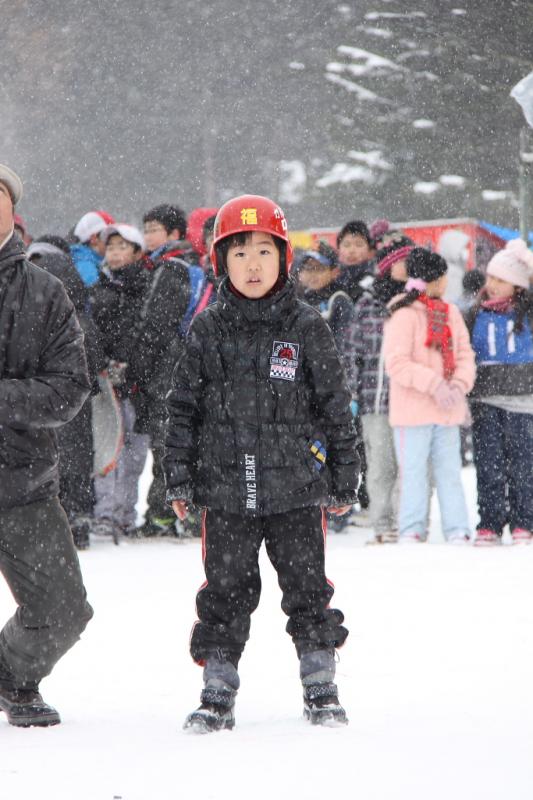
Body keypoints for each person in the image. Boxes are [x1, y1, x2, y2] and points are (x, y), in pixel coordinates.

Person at [163, 195, 358, 732]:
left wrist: (345, 474)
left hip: (296, 488)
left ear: (283, 258)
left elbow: (335, 406)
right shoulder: (207, 329)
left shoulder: (307, 325)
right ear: (221, 261)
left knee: (308, 589)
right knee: (225, 593)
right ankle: (217, 689)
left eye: (264, 252)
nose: (253, 265)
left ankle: (320, 683)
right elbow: (182, 409)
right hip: (225, 490)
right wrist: (177, 475)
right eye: (240, 253)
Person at [0, 165, 93, 726]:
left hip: (23, 480)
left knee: (63, 610)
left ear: (12, 209)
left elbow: (69, 387)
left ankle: (13, 675)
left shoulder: (44, 289)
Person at [383, 247, 475, 544]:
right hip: (412, 413)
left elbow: (465, 354)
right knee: (413, 474)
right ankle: (411, 528)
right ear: (435, 279)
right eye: (444, 276)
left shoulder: (451, 312)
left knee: (450, 473)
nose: (446, 282)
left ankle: (457, 528)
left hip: (447, 411)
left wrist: (458, 385)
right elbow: (397, 363)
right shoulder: (402, 313)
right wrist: (434, 384)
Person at [27, 235, 107, 549]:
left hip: (39, 404)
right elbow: (94, 357)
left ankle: (53, 521)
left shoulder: (30, 316)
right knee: (76, 458)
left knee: (48, 462)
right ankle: (78, 518)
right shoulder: (77, 315)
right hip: (74, 403)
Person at [464, 239, 533, 546]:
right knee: (489, 465)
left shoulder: (528, 313)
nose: (491, 285)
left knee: (522, 465)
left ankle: (524, 521)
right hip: (486, 400)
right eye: (490, 277)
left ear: (517, 285)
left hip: (523, 402)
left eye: (501, 280)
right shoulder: (475, 313)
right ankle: (490, 522)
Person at [346, 238, 414, 544]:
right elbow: (352, 352)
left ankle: (409, 523)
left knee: (410, 468)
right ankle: (383, 523)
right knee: (380, 467)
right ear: (388, 266)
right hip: (376, 400)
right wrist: (352, 393)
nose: (409, 266)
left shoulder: (417, 301)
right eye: (403, 260)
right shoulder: (368, 303)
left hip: (412, 401)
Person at [130, 205, 193, 536]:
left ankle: (163, 516)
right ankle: (174, 514)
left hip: (166, 372)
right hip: (174, 370)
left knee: (166, 446)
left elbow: (155, 325)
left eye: (154, 229)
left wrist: (137, 370)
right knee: (171, 444)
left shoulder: (171, 268)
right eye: (146, 229)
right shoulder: (175, 265)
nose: (148, 236)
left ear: (174, 234)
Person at [91, 224, 150, 540]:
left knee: (135, 452)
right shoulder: (100, 287)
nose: (115, 253)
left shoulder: (146, 288)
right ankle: (105, 513)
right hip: (106, 382)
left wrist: (131, 363)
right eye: (111, 247)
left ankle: (125, 513)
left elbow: (148, 333)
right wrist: (103, 361)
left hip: (138, 383)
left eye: (122, 246)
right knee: (107, 446)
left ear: (137, 252)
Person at [296, 244, 359, 532]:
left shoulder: (339, 301)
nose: (311, 275)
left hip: (335, 386)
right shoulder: (298, 301)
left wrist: (347, 389)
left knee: (335, 445)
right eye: (306, 268)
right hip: (304, 389)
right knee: (310, 447)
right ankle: (311, 506)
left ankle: (338, 508)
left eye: (318, 268)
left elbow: (348, 348)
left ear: (334, 271)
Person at [70, 209, 115, 286]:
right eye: (110, 237)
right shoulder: (86, 267)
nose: (114, 243)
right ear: (94, 239)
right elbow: (93, 291)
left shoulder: (84, 258)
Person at [335, 219, 375, 303]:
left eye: (359, 245)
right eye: (346, 245)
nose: (351, 251)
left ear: (370, 251)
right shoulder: (332, 278)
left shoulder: (376, 279)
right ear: (338, 249)